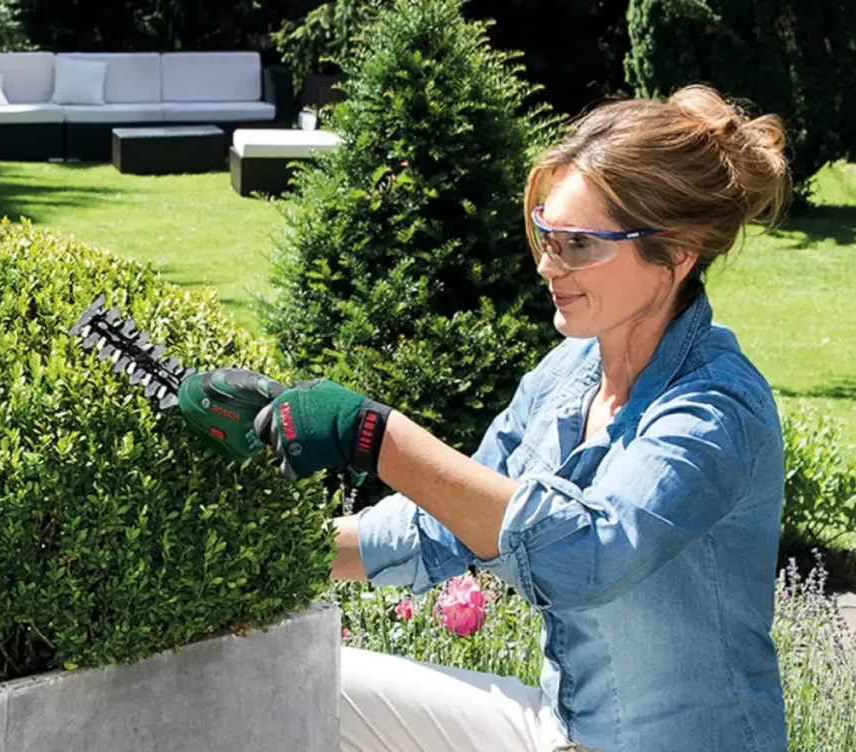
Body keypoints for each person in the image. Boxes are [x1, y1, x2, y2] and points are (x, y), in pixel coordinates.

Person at [247, 84, 791, 752]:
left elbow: (588, 557)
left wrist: (374, 436)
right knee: (297, 681)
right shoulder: (569, 372)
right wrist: (273, 557)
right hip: (560, 733)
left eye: (579, 244)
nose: (546, 265)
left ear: (675, 254)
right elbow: (449, 517)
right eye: (545, 232)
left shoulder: (715, 413)